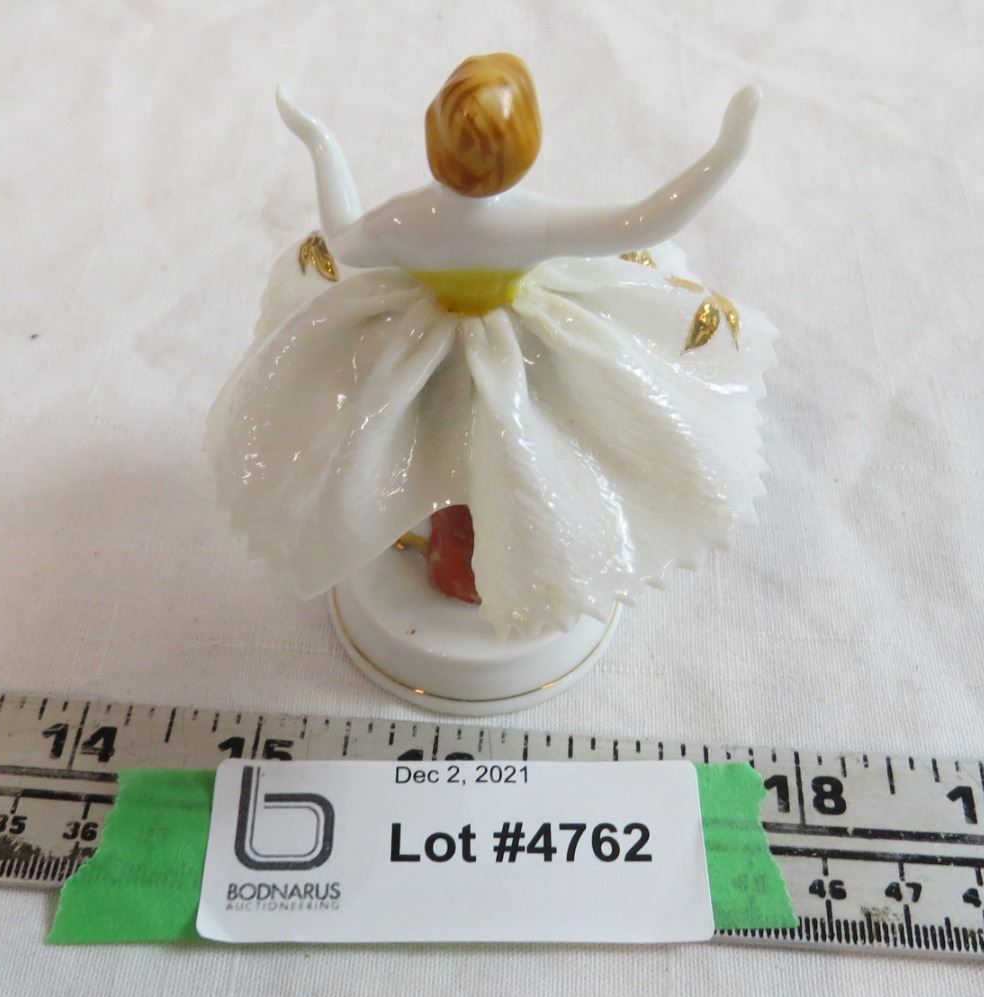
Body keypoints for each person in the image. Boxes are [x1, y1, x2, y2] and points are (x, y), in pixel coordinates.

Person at [208, 53, 776, 640]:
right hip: (516, 345)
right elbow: (642, 224)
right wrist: (726, 153)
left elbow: (344, 240)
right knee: (512, 455)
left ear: (432, 135)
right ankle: (479, 561)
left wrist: (319, 142)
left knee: (427, 440)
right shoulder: (531, 219)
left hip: (420, 343)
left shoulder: (408, 220)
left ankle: (450, 552)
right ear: (529, 146)